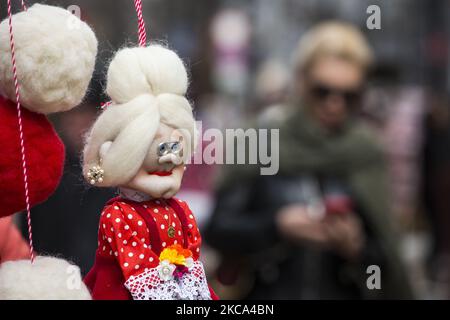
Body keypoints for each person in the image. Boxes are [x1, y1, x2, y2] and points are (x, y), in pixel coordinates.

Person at [205, 21, 414, 299]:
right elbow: (217, 230)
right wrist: (277, 226)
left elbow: (388, 262)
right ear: (302, 82)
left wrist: (356, 246)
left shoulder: (366, 151)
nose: (335, 104)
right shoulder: (259, 137)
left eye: (349, 96)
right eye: (323, 91)